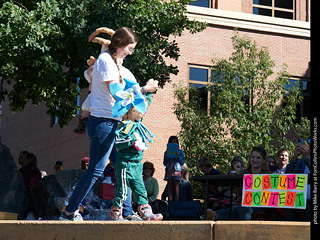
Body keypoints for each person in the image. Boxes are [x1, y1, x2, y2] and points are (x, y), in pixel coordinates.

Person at [60, 26, 158, 221]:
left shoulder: (112, 62)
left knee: (123, 167)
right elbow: (117, 94)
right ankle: (70, 211)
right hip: (103, 123)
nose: (131, 52)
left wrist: (142, 91)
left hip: (111, 123)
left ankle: (128, 213)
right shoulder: (105, 61)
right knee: (96, 169)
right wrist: (144, 89)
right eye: (130, 48)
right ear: (120, 44)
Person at [110, 84, 162, 221]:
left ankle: (146, 212)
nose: (144, 113)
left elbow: (146, 105)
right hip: (125, 165)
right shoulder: (125, 125)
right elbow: (118, 143)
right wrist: (132, 140)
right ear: (133, 110)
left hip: (137, 165)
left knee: (140, 190)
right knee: (122, 191)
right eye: (141, 110)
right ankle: (116, 214)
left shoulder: (137, 121)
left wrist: (149, 93)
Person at [207, 146, 271, 221]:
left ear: (263, 160)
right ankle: (214, 215)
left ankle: (216, 215)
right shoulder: (243, 173)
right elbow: (235, 191)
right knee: (238, 209)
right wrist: (235, 179)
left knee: (241, 209)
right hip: (241, 204)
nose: (255, 160)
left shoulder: (268, 175)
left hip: (260, 207)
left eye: (258, 158)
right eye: (253, 157)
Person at [285, 139, 311, 221]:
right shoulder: (299, 162)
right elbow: (288, 173)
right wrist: (295, 157)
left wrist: (307, 158)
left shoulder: (307, 160)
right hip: (298, 197)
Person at [163, 136, 185, 202]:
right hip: (169, 171)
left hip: (177, 171)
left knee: (176, 189)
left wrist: (178, 156)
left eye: (175, 142)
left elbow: (182, 162)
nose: (173, 144)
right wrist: (166, 157)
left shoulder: (180, 152)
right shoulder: (166, 152)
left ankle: (176, 205)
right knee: (170, 190)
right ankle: (170, 205)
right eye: (171, 142)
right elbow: (164, 163)